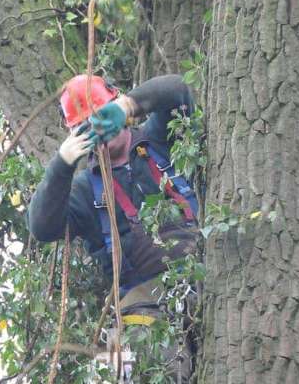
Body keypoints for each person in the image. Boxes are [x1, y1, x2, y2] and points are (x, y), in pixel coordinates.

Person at [28, 74, 200, 382]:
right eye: (87, 126)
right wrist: (62, 163)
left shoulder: (159, 139)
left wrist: (128, 105)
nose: (100, 133)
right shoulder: (83, 191)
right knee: (126, 364)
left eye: (101, 118)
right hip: (142, 301)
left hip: (201, 270)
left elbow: (181, 90)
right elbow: (42, 227)